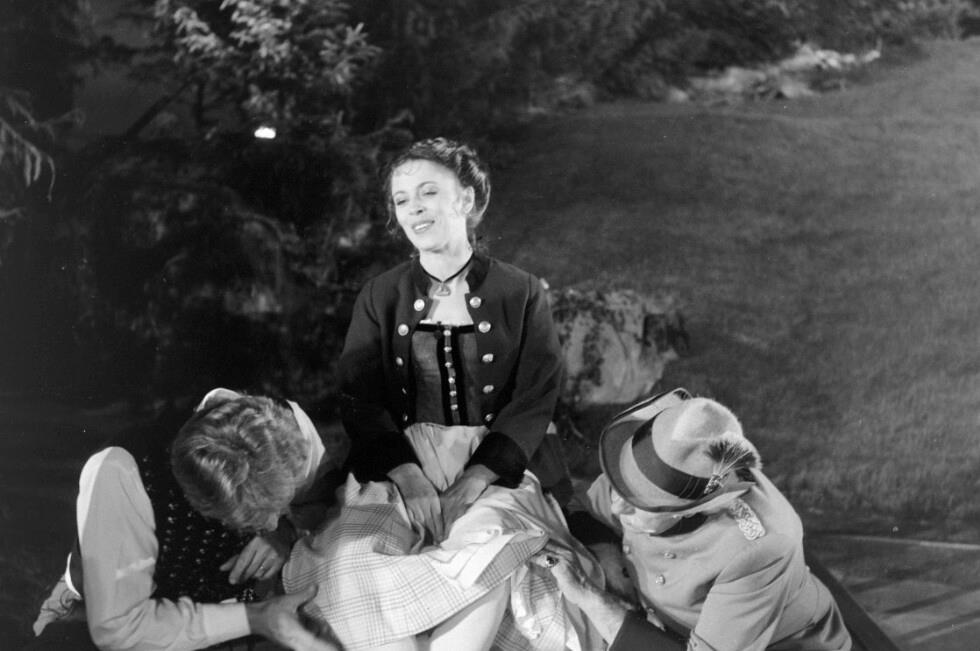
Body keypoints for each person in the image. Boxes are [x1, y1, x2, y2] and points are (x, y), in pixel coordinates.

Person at [282, 137, 602, 651]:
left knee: (488, 558)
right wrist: (409, 477)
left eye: (428, 192)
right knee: (354, 561)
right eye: (402, 199)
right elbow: (360, 399)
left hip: (495, 469)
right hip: (395, 467)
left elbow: (534, 398)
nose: (414, 209)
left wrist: (474, 479)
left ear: (467, 200)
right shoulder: (380, 295)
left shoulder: (520, 292)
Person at [541, 388, 853, 651]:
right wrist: (609, 556)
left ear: (691, 509)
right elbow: (581, 507)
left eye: (637, 503)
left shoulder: (758, 550)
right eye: (619, 486)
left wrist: (588, 596)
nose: (616, 505)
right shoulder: (653, 461)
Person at [31, 388, 337, 651]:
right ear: (204, 504)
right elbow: (121, 628)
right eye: (254, 517)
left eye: (277, 508)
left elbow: (318, 503)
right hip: (108, 607)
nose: (269, 523)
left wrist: (285, 530)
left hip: (229, 606)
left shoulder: (287, 435)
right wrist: (254, 617)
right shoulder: (122, 477)